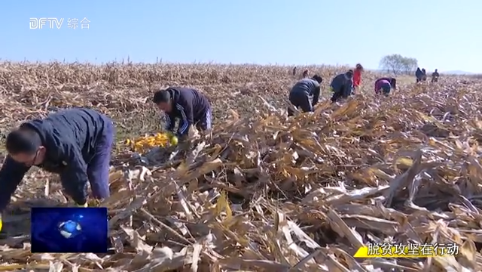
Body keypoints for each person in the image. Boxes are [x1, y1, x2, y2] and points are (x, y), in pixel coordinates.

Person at [0, 108, 114, 230]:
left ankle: (108, 219)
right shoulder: (21, 146)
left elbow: (75, 174)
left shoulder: (63, 147)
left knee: (96, 178)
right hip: (74, 129)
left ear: (41, 150)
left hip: (99, 130)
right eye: (20, 162)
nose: (25, 165)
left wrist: (81, 203)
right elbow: (6, 179)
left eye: (29, 162)